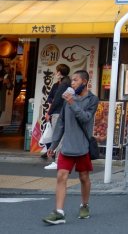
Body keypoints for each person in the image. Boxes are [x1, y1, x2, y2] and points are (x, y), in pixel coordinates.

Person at [42, 70, 99, 226]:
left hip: (82, 146)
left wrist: (72, 103)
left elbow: (86, 118)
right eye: (72, 80)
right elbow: (61, 123)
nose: (72, 83)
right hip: (67, 146)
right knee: (61, 176)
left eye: (75, 80)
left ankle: (85, 205)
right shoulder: (68, 99)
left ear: (85, 82)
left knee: (84, 177)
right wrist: (53, 145)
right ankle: (59, 212)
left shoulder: (92, 99)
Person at [42, 64, 70, 168]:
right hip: (62, 112)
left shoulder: (64, 84)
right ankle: (59, 159)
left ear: (60, 72)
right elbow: (51, 98)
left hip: (58, 113)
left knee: (57, 136)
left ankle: (58, 160)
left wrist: (49, 112)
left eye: (56, 71)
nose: (55, 72)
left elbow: (57, 100)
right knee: (60, 136)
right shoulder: (63, 83)